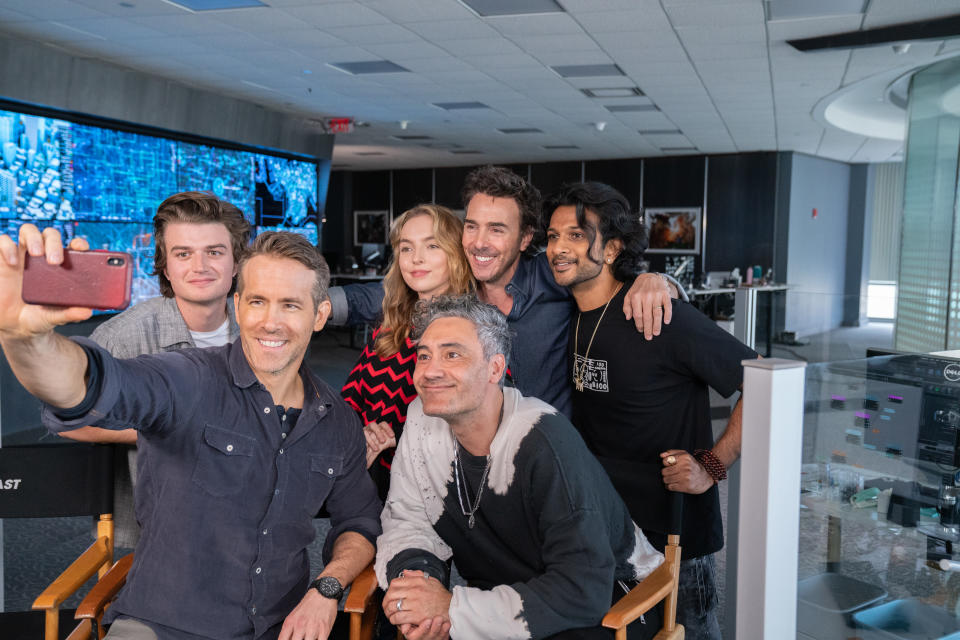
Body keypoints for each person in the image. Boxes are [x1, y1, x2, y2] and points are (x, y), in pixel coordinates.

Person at [0, 227, 381, 640]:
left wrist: (325, 590)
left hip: (278, 628)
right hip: (161, 625)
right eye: (257, 301)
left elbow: (359, 523)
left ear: (320, 314)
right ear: (237, 306)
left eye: (290, 305)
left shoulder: (337, 419)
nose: (271, 322)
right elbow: (88, 386)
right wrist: (26, 339)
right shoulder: (187, 378)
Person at [375, 294, 664, 640]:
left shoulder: (542, 438)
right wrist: (418, 585)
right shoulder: (421, 418)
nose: (431, 371)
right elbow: (408, 517)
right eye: (424, 356)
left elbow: (582, 589)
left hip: (611, 600)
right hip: (506, 592)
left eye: (452, 354)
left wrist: (452, 609)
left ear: (495, 369)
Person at [543, 182, 759, 640]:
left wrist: (713, 466)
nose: (559, 248)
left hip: (675, 534)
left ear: (613, 246)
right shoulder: (571, 314)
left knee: (691, 634)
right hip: (604, 530)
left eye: (577, 235)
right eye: (552, 235)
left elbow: (763, 384)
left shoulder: (661, 316)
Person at [330, 166, 680, 417]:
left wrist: (657, 281)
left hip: (547, 450)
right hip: (475, 453)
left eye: (496, 229)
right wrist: (313, 302)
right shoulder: (455, 284)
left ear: (526, 237)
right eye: (472, 227)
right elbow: (382, 295)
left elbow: (610, 273)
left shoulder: (551, 275)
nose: (480, 243)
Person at [59, 191, 250, 550]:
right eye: (183, 254)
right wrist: (158, 429)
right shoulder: (124, 337)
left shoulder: (258, 330)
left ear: (237, 262)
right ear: (164, 264)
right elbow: (71, 420)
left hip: (245, 531)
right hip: (153, 543)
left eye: (214, 252)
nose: (200, 266)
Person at [341, 204, 474, 498]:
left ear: (456, 253)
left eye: (432, 245)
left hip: (435, 490)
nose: (416, 259)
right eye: (406, 248)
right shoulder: (393, 324)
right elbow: (351, 396)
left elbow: (478, 423)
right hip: (372, 478)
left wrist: (392, 437)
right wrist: (362, 434)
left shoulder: (475, 329)